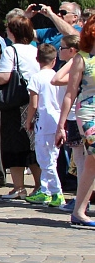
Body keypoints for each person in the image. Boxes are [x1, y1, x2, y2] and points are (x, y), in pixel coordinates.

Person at [0, 16, 40, 199]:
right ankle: (39, 186)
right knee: (32, 147)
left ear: (12, 32)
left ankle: (19, 187)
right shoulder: (34, 49)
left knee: (14, 147)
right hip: (31, 101)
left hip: (14, 104)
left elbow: (3, 78)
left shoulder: (10, 51)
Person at [55, 22, 95, 228]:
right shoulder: (82, 59)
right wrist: (61, 125)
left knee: (91, 162)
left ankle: (79, 211)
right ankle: (79, 211)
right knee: (94, 155)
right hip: (89, 112)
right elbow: (70, 93)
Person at [24, 44, 64, 207]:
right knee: (51, 158)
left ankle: (56, 192)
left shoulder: (37, 77)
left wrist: (28, 120)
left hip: (44, 122)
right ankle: (46, 190)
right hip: (56, 120)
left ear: (37, 59)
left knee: (45, 159)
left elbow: (34, 103)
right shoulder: (57, 76)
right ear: (54, 61)